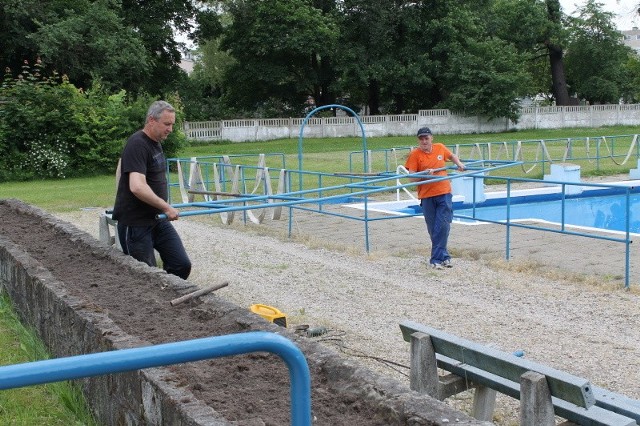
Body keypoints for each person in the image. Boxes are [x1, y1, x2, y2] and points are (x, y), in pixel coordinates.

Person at [112, 100, 192, 279]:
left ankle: (166, 299)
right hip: (136, 224)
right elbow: (137, 186)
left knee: (181, 264)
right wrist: (166, 207)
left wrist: (162, 210)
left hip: (157, 220)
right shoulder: (137, 144)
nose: (170, 129)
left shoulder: (155, 142)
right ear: (151, 120)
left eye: (172, 124)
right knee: (146, 277)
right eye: (167, 124)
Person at [405, 127, 466, 270]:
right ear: (418, 140)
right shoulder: (415, 154)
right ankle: (444, 256)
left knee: (443, 225)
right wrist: (425, 174)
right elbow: (412, 178)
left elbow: (452, 156)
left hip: (443, 192)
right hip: (426, 195)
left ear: (431, 138)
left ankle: (436, 260)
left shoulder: (440, 147)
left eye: (426, 138)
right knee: (433, 228)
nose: (424, 141)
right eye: (421, 139)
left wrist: (459, 164)